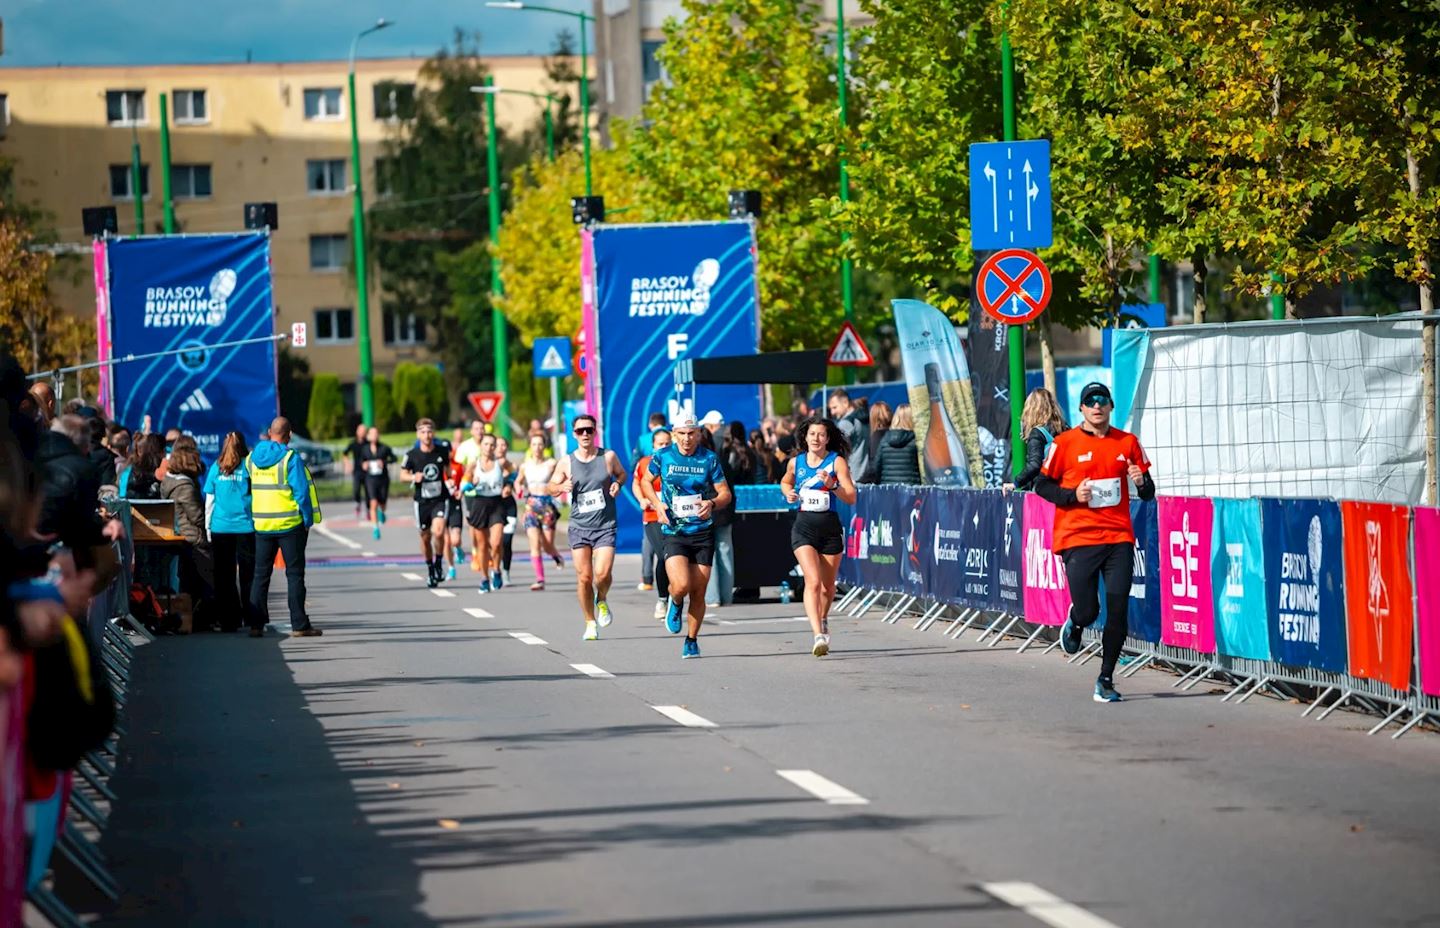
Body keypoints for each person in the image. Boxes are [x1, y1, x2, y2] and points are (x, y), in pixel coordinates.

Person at [1034, 382, 1156, 703]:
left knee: (1118, 610)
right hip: (1078, 537)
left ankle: (1105, 678)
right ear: (1082, 409)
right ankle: (1076, 621)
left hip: (1118, 537)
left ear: (1111, 406)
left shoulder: (1127, 443)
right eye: (1090, 401)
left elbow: (1148, 492)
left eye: (1102, 400)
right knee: (1090, 611)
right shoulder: (1065, 443)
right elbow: (1041, 486)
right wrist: (1073, 495)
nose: (1097, 406)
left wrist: (1142, 482)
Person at [642, 413, 733, 659]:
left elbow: (725, 493)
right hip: (674, 531)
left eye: (691, 433)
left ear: (699, 434)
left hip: (702, 532)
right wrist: (657, 505)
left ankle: (691, 640)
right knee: (681, 584)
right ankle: (675, 600)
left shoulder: (709, 459)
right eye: (681, 434)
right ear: (674, 434)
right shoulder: (663, 457)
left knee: (699, 591)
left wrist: (712, 503)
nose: (686, 439)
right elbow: (646, 481)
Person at [782, 416, 858, 656]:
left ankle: (823, 617)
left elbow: (851, 496)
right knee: (812, 581)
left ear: (827, 439)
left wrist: (833, 485)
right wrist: (788, 493)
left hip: (829, 528)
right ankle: (818, 635)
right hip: (803, 527)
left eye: (821, 435)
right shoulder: (796, 462)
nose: (816, 439)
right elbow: (785, 481)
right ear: (805, 437)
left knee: (827, 587)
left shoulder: (837, 463)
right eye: (812, 434)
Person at [548, 414, 626, 640]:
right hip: (579, 526)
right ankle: (590, 622)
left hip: (605, 525)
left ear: (595, 432)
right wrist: (561, 485)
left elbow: (621, 474)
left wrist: (617, 485)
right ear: (574, 434)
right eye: (580, 431)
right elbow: (550, 487)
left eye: (589, 430)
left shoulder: (608, 456)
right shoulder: (566, 461)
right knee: (584, 577)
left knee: (602, 574)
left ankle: (601, 598)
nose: (585, 434)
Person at [247, 417, 324, 637]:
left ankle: (255, 624)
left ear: (269, 432)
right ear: (289, 435)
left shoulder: (251, 459)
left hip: (262, 525)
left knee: (260, 575)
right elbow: (301, 493)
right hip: (290, 525)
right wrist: (307, 521)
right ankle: (299, 625)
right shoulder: (290, 458)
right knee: (295, 575)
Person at [205, 431, 258, 635]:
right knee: (248, 575)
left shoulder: (216, 468)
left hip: (221, 528)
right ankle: (252, 616)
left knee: (224, 576)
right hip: (246, 527)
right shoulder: (248, 467)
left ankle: (229, 620)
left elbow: (210, 501)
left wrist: (208, 528)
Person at [163, 435, 214, 626]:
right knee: (207, 580)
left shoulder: (169, 481)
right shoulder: (185, 486)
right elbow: (197, 516)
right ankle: (205, 619)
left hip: (181, 534)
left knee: (189, 582)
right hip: (194, 537)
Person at [707, 420, 753, 609]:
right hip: (725, 510)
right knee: (725, 551)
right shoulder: (722, 460)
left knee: (709, 553)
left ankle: (712, 596)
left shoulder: (704, 461)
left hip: (709, 509)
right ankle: (725, 596)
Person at [401, 418, 451, 588]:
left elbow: (448, 472)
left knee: (439, 532)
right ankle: (430, 568)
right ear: (418, 434)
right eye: (423, 432)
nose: (427, 435)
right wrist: (413, 477)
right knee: (425, 536)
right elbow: (402, 475)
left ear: (433, 433)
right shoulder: (411, 455)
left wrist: (451, 482)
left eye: (429, 431)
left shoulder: (442, 451)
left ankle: (438, 563)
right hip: (421, 501)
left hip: (440, 498)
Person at [632, 427, 673, 619]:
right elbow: (636, 483)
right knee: (664, 556)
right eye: (660, 444)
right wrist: (642, 499)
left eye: (667, 444)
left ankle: (676, 594)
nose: (664, 447)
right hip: (652, 517)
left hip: (675, 517)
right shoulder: (644, 463)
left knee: (677, 557)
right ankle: (662, 599)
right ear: (653, 445)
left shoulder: (676, 463)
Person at [463, 433, 511, 593]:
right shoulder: (473, 464)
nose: (489, 447)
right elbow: (465, 483)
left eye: (492, 444)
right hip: (479, 504)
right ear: (481, 446)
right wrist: (471, 483)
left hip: (496, 504)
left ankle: (496, 570)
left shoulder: (501, 462)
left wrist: (508, 485)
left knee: (496, 543)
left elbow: (514, 474)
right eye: (486, 444)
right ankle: (484, 578)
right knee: (482, 545)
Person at [515, 433, 563, 591]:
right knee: (534, 544)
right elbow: (518, 481)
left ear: (545, 446)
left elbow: (561, 478)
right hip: (531, 507)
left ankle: (556, 555)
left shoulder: (551, 463)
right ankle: (540, 579)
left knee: (547, 545)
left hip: (547, 507)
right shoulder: (525, 465)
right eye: (534, 444)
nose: (537, 447)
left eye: (540, 444)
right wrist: (518, 488)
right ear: (530, 446)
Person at [1006, 388, 1067, 491]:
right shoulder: (1065, 429)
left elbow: (1035, 465)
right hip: (1065, 486)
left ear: (1031, 410)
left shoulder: (1038, 433)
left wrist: (1016, 483)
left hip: (1045, 489)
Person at [454, 421, 488, 571]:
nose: (480, 431)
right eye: (476, 429)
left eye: (482, 428)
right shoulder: (465, 447)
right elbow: (457, 468)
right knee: (474, 525)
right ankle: (475, 551)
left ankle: (487, 552)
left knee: (488, 524)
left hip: (488, 490)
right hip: (471, 491)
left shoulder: (489, 444)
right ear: (471, 431)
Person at [870, 403, 923, 485]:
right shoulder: (916, 441)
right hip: (912, 488)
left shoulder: (884, 440)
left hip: (889, 489)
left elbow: (877, 466)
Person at [359, 427, 396, 538]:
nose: (374, 436)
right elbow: (361, 461)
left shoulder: (384, 448)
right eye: (372, 434)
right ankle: (375, 528)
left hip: (383, 479)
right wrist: (364, 465)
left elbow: (394, 458)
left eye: (376, 434)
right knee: (373, 503)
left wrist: (384, 462)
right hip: (370, 479)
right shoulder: (365, 449)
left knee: (382, 503)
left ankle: (382, 512)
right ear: (368, 436)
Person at [827, 388, 870, 480]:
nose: (832, 412)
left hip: (851, 474)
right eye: (831, 409)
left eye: (835, 407)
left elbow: (837, 449)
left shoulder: (845, 423)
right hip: (866, 471)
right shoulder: (864, 419)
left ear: (845, 403)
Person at [497, 435, 519, 585]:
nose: (501, 448)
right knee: (495, 542)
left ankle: (506, 572)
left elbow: (516, 486)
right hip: (493, 507)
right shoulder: (489, 466)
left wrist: (510, 486)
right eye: (498, 445)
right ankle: (495, 570)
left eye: (504, 445)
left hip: (509, 506)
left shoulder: (513, 466)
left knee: (506, 541)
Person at [121, 433, 165, 499]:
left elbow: (123, 494)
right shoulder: (162, 468)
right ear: (161, 451)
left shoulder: (133, 469)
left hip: (133, 505)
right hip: (155, 507)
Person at [860, 401, 893, 483]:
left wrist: (861, 482)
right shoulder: (895, 434)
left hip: (884, 483)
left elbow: (874, 465)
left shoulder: (876, 438)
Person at [343, 423, 369, 520]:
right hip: (357, 471)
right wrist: (348, 464)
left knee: (368, 492)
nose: (362, 433)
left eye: (364, 431)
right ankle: (358, 504)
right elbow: (345, 454)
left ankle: (368, 510)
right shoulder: (353, 443)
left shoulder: (368, 443)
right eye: (360, 431)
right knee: (356, 490)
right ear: (357, 432)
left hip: (367, 472)